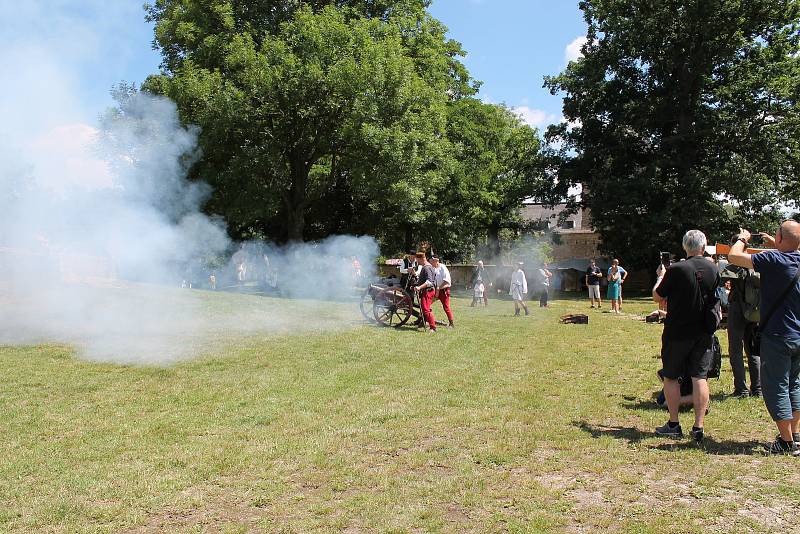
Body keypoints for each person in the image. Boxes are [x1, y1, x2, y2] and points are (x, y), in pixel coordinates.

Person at [727, 222, 800, 455]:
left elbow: (734, 256)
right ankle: (795, 434)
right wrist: (779, 243)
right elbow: (793, 245)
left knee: (776, 385)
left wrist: (743, 238)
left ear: (779, 239)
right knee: (794, 385)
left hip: (778, 335)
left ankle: (786, 443)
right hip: (798, 335)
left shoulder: (774, 260)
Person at [652, 230, 719, 444]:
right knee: (700, 377)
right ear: (704, 245)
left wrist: (661, 276)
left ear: (685, 247)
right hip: (703, 332)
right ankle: (698, 427)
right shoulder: (713, 267)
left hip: (678, 332)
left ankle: (674, 424)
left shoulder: (677, 269)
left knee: (671, 377)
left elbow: (657, 296)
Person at [721, 255, 761, 399]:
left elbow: (719, 281)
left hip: (737, 309)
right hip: (754, 310)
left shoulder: (734, 266)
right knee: (753, 351)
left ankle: (742, 390)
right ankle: (758, 388)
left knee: (736, 350)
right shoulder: (756, 264)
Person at [413, 252, 438, 333]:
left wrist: (419, 287)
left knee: (426, 309)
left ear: (421, 259)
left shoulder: (426, 268)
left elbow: (429, 282)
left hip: (428, 291)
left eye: (417, 260)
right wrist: (416, 285)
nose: (417, 262)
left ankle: (433, 327)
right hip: (427, 290)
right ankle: (423, 323)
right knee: (424, 309)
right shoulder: (427, 267)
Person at [431, 256, 454, 328]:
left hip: (444, 291)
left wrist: (439, 288)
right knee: (427, 303)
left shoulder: (443, 267)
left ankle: (451, 323)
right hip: (436, 290)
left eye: (432, 261)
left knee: (446, 307)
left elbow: (446, 281)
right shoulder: (433, 268)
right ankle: (422, 320)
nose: (431, 262)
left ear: (436, 261)